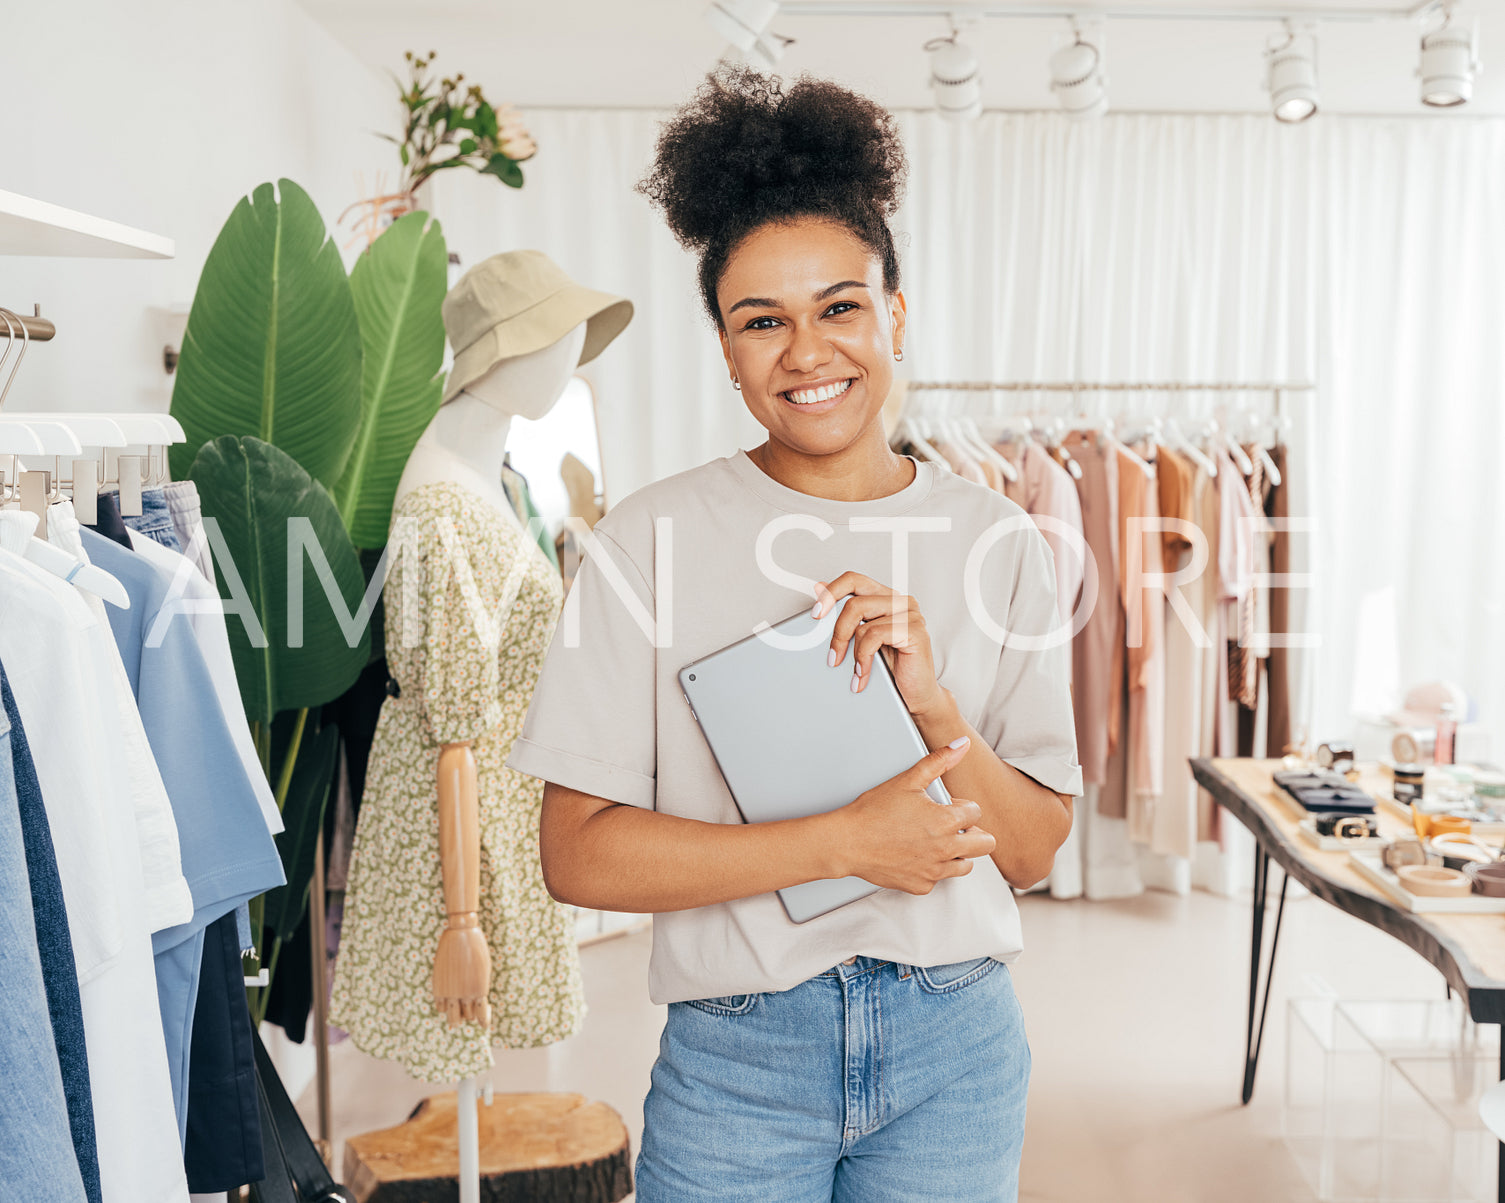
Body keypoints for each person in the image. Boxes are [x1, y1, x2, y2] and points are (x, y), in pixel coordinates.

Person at [506, 66, 1083, 1203]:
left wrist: (932, 706)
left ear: (894, 316)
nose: (805, 353)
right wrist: (842, 843)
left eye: (839, 307)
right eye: (760, 320)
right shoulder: (646, 539)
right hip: (739, 1058)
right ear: (724, 348)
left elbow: (1028, 852)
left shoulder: (999, 538)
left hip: (955, 1047)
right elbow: (575, 854)